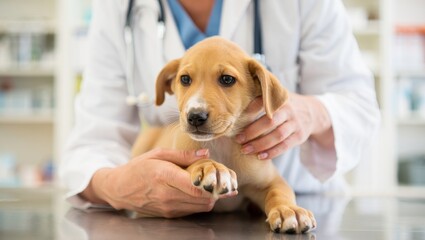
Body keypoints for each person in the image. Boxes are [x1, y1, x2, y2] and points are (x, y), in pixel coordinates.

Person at [60, 0, 380, 217]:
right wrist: (116, 186)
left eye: (227, 79)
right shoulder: (118, 7)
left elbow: (360, 106)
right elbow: (93, 137)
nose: (198, 106)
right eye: (184, 79)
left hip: (305, 200)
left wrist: (314, 113)